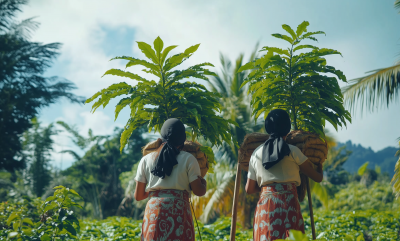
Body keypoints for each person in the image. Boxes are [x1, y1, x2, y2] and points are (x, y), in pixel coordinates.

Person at [245, 109, 323, 241]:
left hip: (266, 207)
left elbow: (249, 189)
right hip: (289, 204)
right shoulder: (293, 151)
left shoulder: (256, 154)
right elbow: (317, 177)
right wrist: (319, 166)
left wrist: (268, 189)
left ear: (268, 127)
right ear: (287, 128)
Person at [134, 118, 207, 241]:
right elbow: (199, 191)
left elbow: (139, 195)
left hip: (153, 210)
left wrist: (157, 194)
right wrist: (203, 184)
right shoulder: (189, 159)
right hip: (178, 210)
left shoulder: (146, 160)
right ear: (182, 139)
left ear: (162, 136)